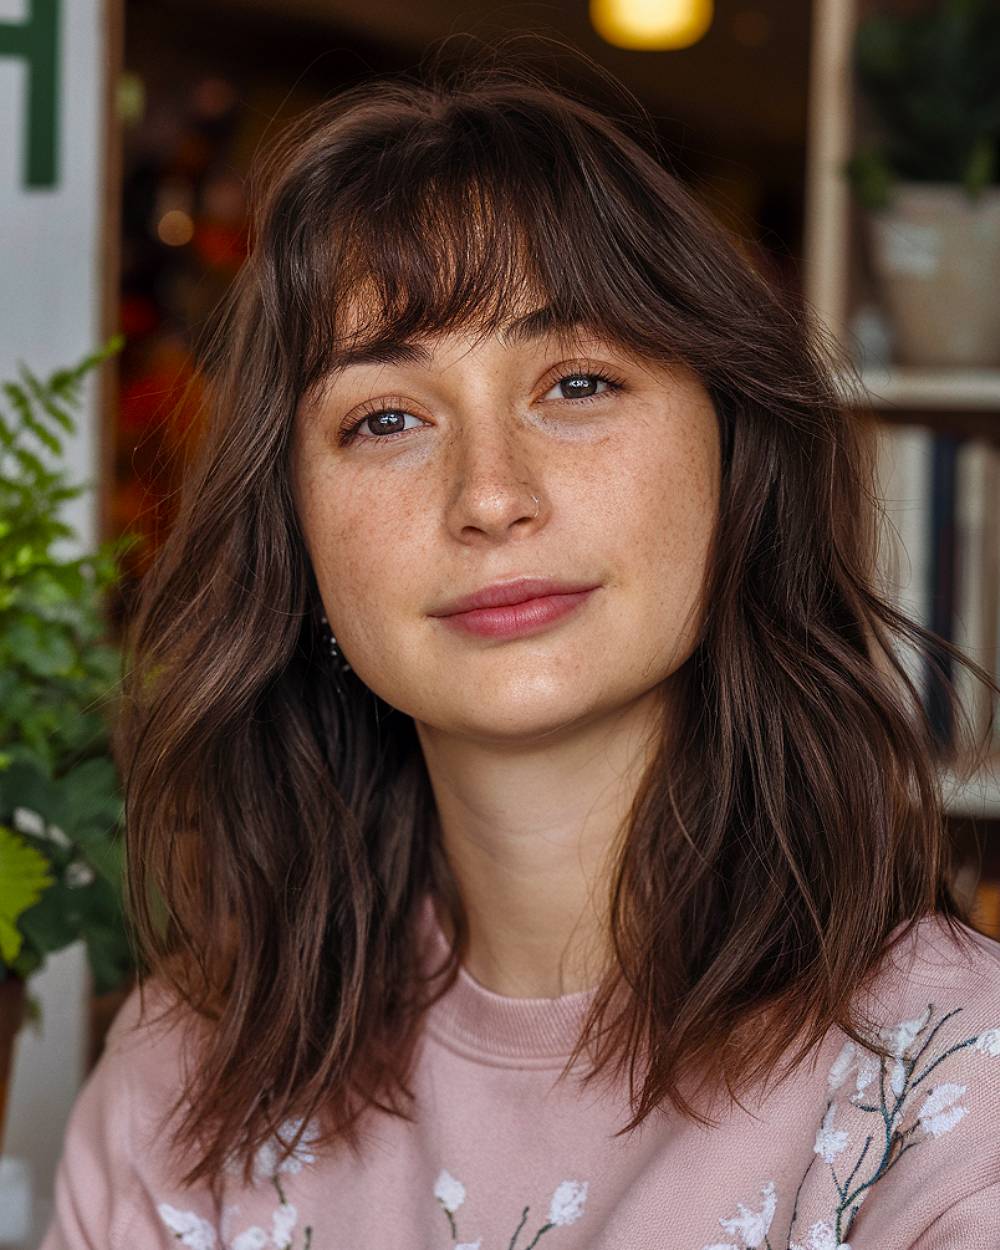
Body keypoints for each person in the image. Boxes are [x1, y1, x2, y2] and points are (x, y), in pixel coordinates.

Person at [39, 44, 1000, 1250]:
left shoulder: (947, 1086)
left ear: (734, 460)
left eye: (578, 383)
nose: (490, 495)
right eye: (386, 417)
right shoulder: (182, 1082)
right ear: (296, 537)